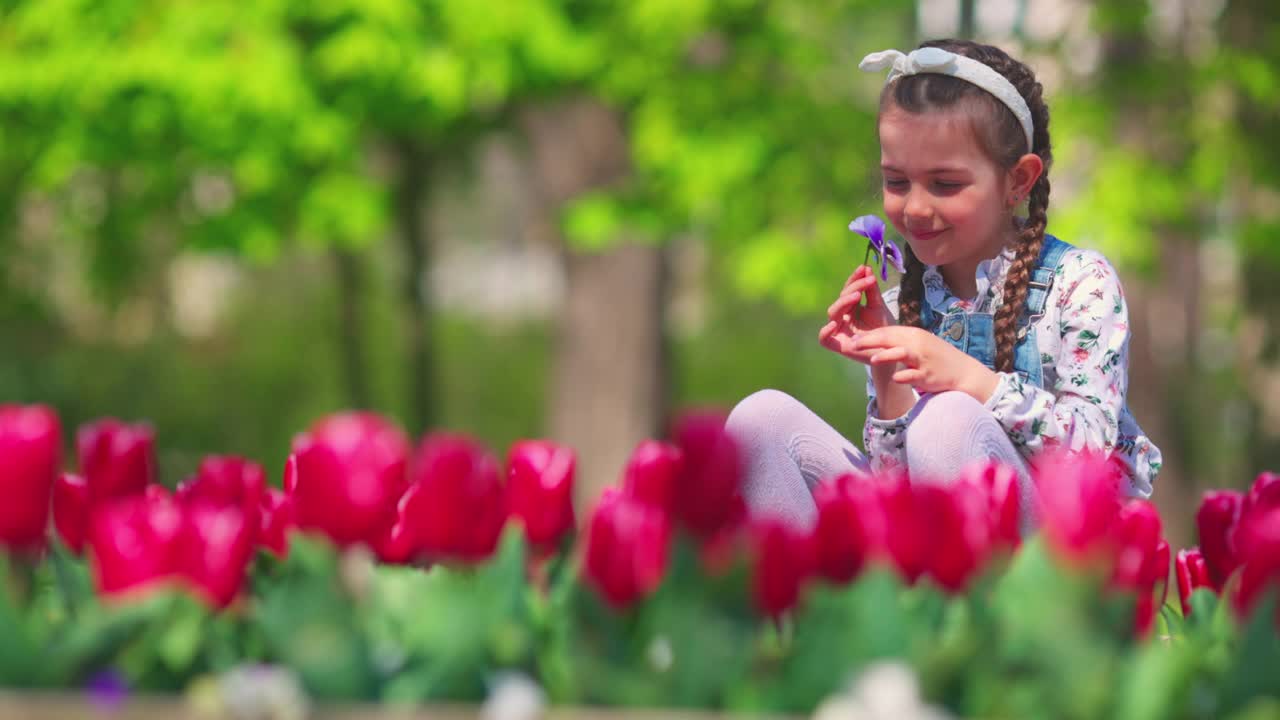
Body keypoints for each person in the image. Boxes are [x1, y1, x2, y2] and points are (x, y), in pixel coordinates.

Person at [725, 39, 1160, 532]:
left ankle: (968, 613)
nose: (914, 208)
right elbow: (899, 491)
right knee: (758, 421)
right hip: (935, 552)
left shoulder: (1080, 285)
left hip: (1055, 557)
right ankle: (805, 606)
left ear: (1018, 180)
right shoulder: (904, 304)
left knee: (948, 417)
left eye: (945, 184)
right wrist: (888, 369)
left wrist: (970, 381)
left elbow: (1093, 457)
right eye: (896, 181)